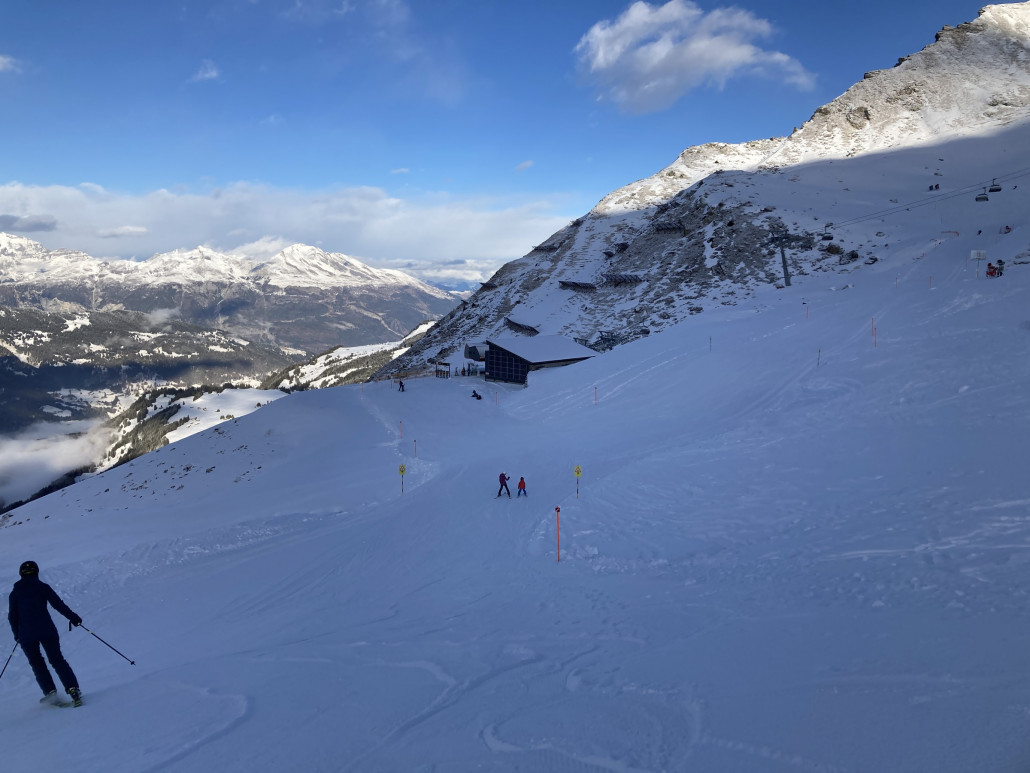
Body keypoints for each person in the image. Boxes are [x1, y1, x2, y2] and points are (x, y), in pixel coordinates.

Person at [8, 561, 83, 707]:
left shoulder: (15, 593)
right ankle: (73, 689)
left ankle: (50, 693)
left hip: (26, 635)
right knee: (57, 660)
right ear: (36, 572)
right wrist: (73, 617)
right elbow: (58, 605)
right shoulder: (43, 587)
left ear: (21, 574)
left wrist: (17, 634)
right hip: (47, 630)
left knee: (37, 663)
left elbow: (12, 616)